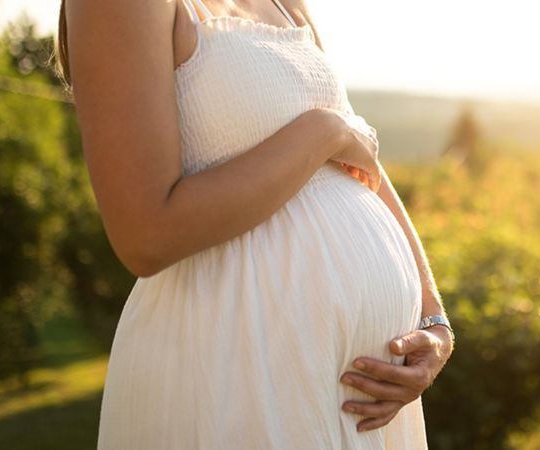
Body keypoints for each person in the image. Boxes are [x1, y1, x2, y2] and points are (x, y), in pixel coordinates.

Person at [56, 0, 455, 448]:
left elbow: (361, 167)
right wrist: (324, 131)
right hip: (236, 372)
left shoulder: (285, 3)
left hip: (360, 403)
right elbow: (145, 235)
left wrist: (433, 317)